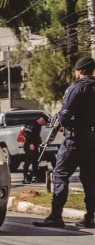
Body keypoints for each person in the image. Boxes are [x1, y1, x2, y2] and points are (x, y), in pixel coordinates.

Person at [33, 56, 95, 229]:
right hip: (93, 140)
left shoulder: (78, 88)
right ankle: (91, 217)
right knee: (90, 178)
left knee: (60, 174)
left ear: (80, 70)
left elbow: (65, 114)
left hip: (76, 140)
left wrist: (61, 123)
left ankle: (55, 216)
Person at [22, 115, 47, 184]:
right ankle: (25, 177)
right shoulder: (31, 124)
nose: (44, 124)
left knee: (35, 162)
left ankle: (35, 176)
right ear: (42, 120)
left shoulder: (38, 126)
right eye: (44, 122)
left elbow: (36, 135)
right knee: (27, 161)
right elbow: (26, 134)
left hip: (35, 145)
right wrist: (30, 144)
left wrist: (39, 142)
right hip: (29, 145)